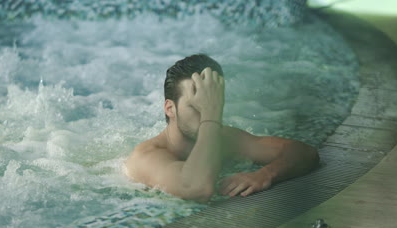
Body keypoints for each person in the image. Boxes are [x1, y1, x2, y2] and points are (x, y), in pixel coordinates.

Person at [125, 54, 319, 203]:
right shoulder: (147, 157)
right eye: (196, 106)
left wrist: (265, 174)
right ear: (170, 108)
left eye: (211, 103)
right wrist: (210, 114)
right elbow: (196, 189)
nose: (206, 113)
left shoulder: (224, 138)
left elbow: (304, 152)